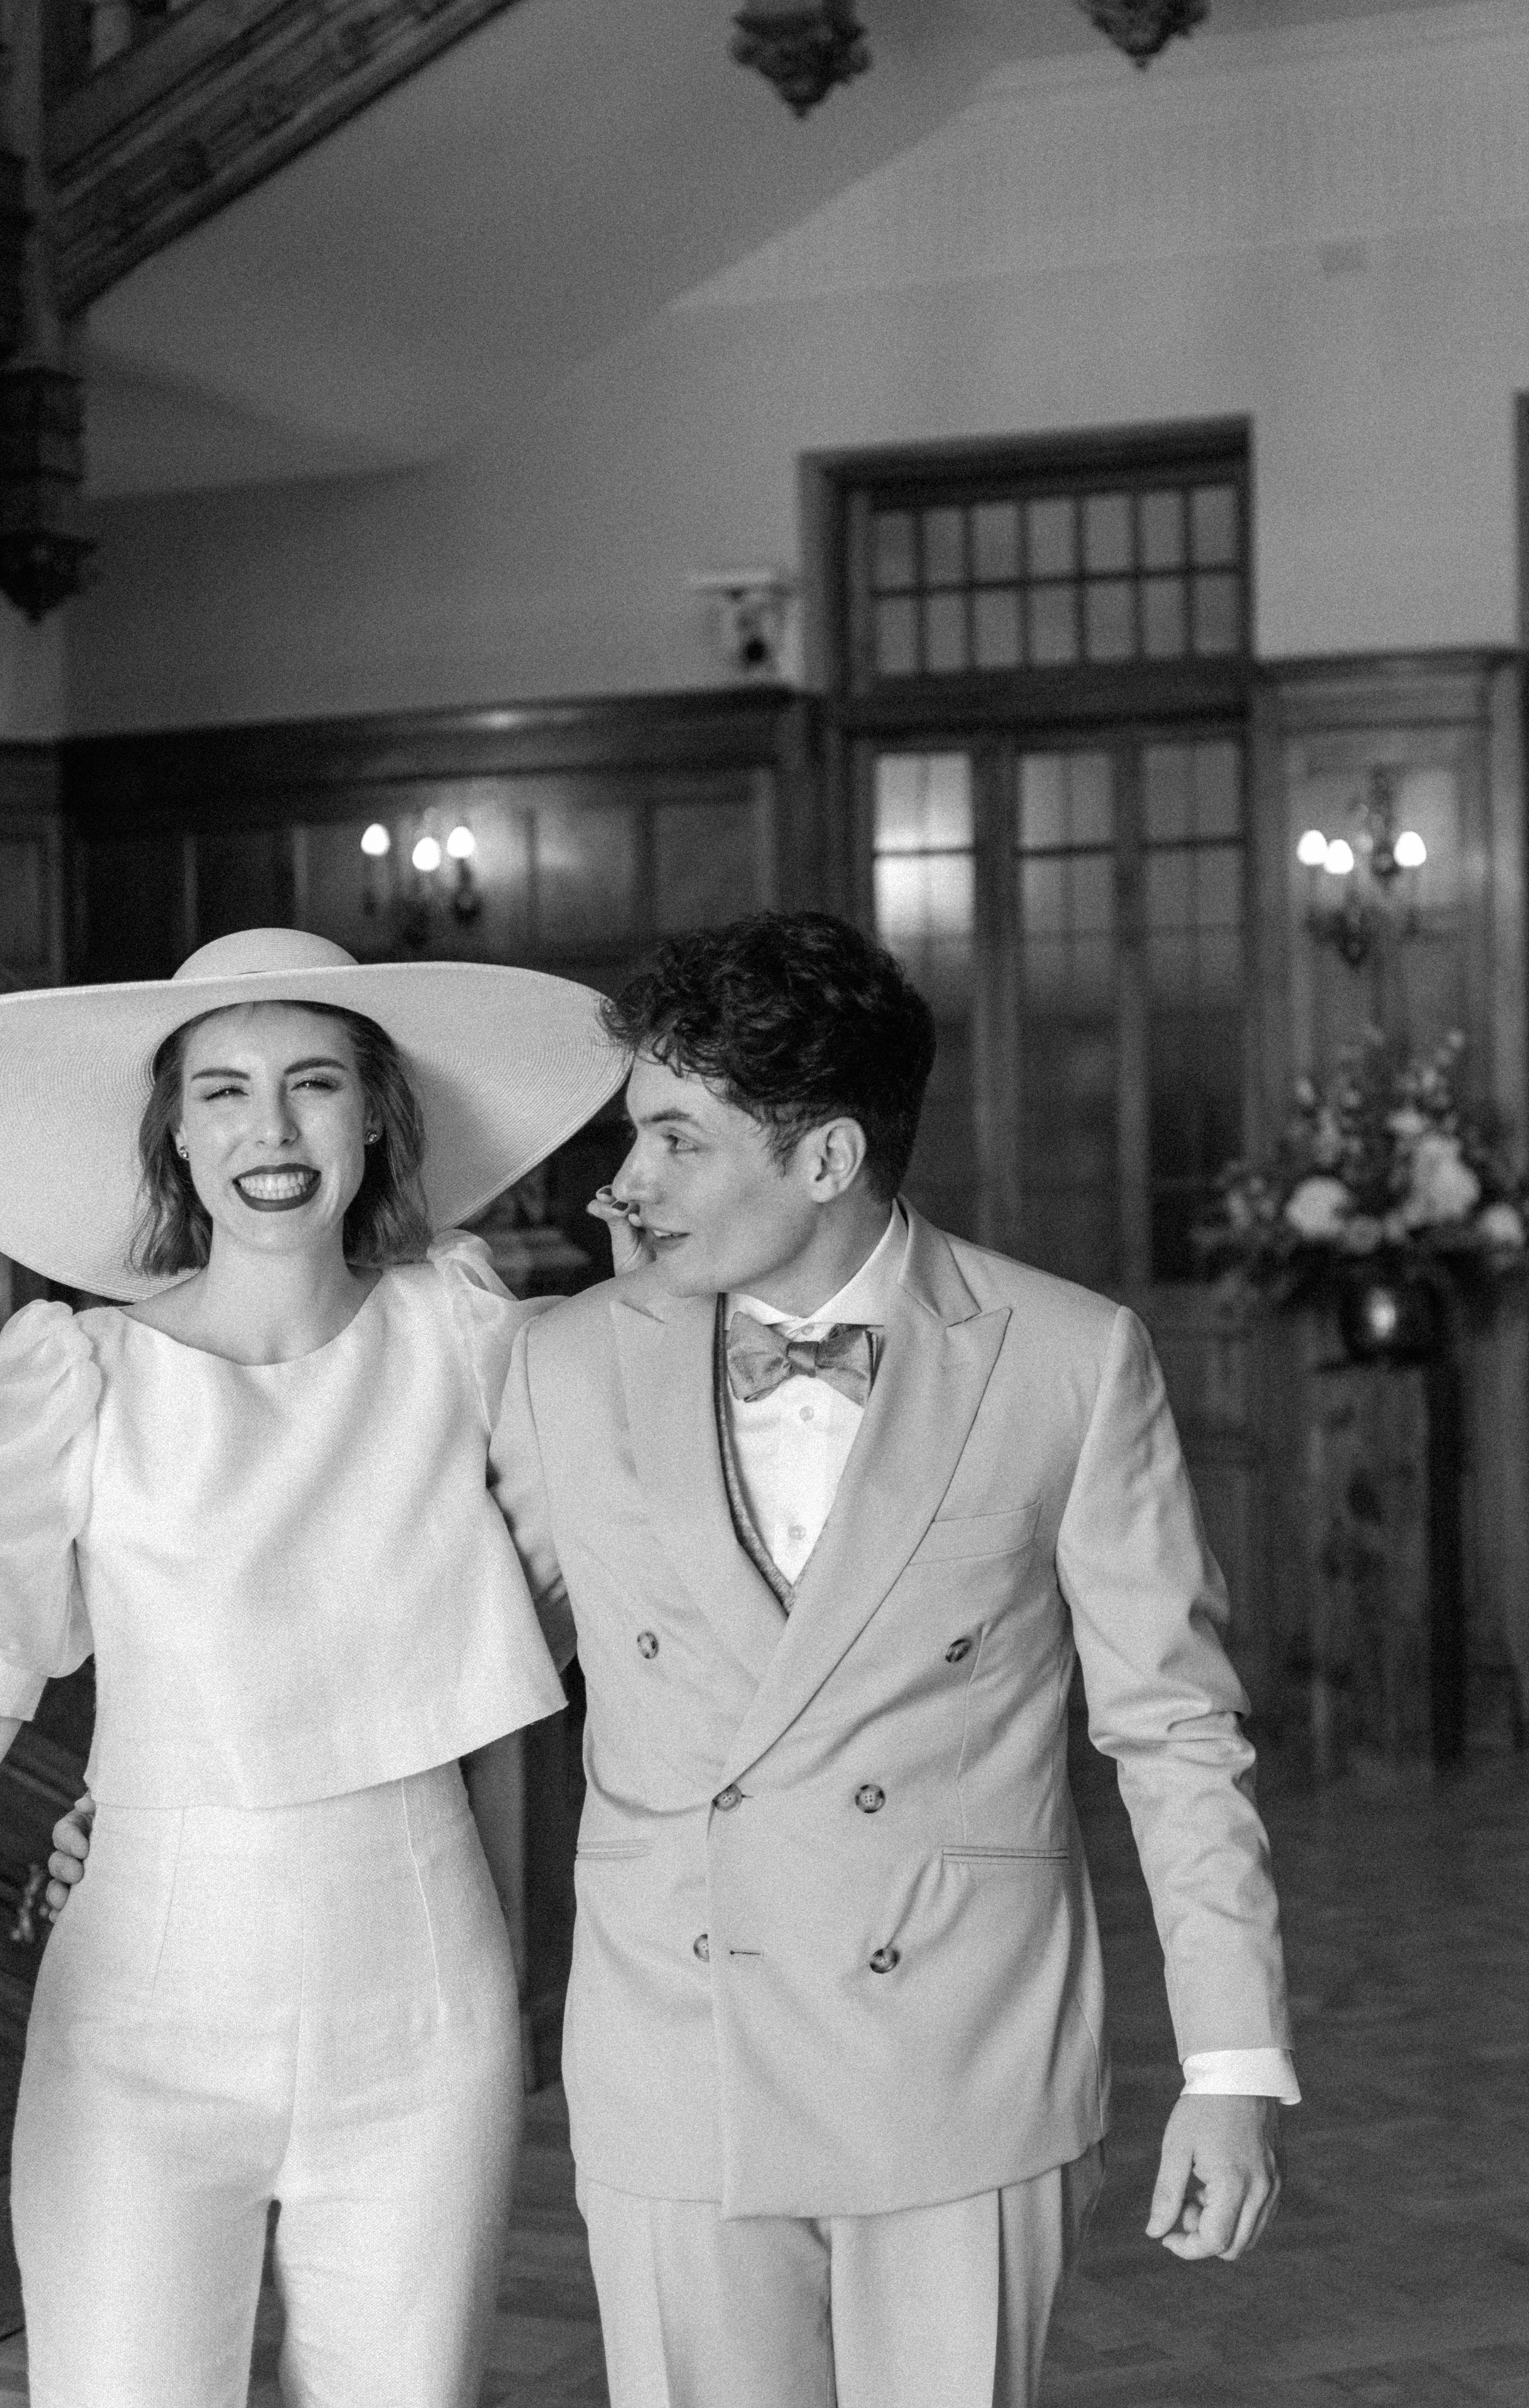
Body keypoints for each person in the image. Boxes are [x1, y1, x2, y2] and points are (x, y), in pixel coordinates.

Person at [483, 908, 1301, 2408]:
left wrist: (1231, 2070)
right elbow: (463, 1663)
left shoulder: (1068, 1357)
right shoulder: (557, 1360)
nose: (624, 1183)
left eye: (676, 1139)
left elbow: (1175, 1733)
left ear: (829, 1160)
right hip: (677, 2048)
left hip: (959, 2052)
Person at [0, 926, 624, 2408]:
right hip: (136, 2008)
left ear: (376, 1116)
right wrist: (59, 1822)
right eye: (220, 1091)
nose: (268, 1131)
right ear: (171, 1131)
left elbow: (584, 1587)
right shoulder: (72, 1373)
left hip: (420, 1998)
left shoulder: (473, 1336)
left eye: (313, 1083)